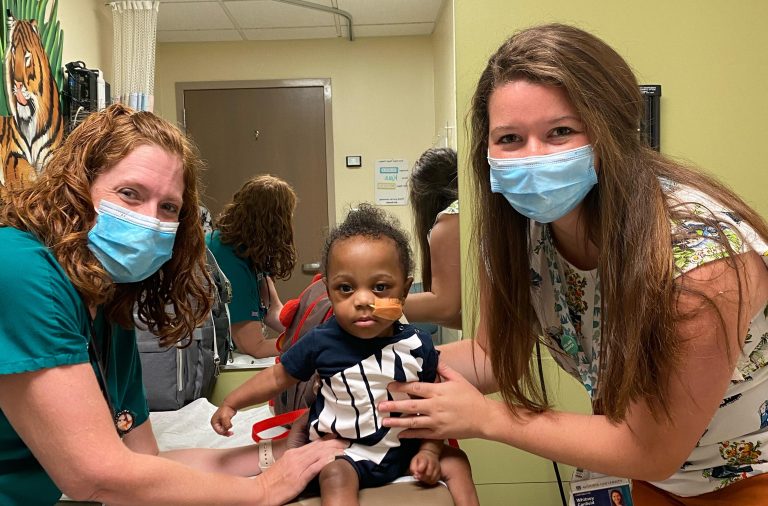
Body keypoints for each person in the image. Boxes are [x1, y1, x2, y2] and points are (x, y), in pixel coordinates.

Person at [380, 23, 768, 505]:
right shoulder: (517, 241)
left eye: (561, 131)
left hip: (744, 479)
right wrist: (370, 356)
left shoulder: (699, 261)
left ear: (611, 132)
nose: (533, 158)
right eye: (510, 138)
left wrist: (488, 419)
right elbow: (494, 357)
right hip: (649, 478)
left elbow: (652, 447)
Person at [0, 104, 344, 506]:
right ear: (77, 187)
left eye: (168, 208)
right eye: (130, 194)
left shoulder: (109, 306)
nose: (150, 222)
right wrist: (261, 491)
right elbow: (95, 476)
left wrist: (278, 454)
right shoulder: (18, 268)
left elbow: (142, 462)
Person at [211, 204, 479, 506]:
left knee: (457, 461)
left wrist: (429, 452)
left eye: (380, 287)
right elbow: (276, 377)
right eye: (346, 288)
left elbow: (432, 408)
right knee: (334, 475)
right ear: (329, 290)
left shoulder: (419, 345)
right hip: (344, 451)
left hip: (405, 450)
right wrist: (232, 403)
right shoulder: (321, 342)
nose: (363, 300)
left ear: (404, 291)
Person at [207, 174, 297, 358]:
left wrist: (306, 329)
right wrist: (310, 345)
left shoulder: (248, 247)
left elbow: (273, 310)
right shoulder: (226, 256)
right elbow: (254, 347)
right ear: (274, 223)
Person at [403, 147, 462, 330]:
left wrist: (373, 305)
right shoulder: (468, 212)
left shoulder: (450, 220)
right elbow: (459, 315)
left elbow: (444, 307)